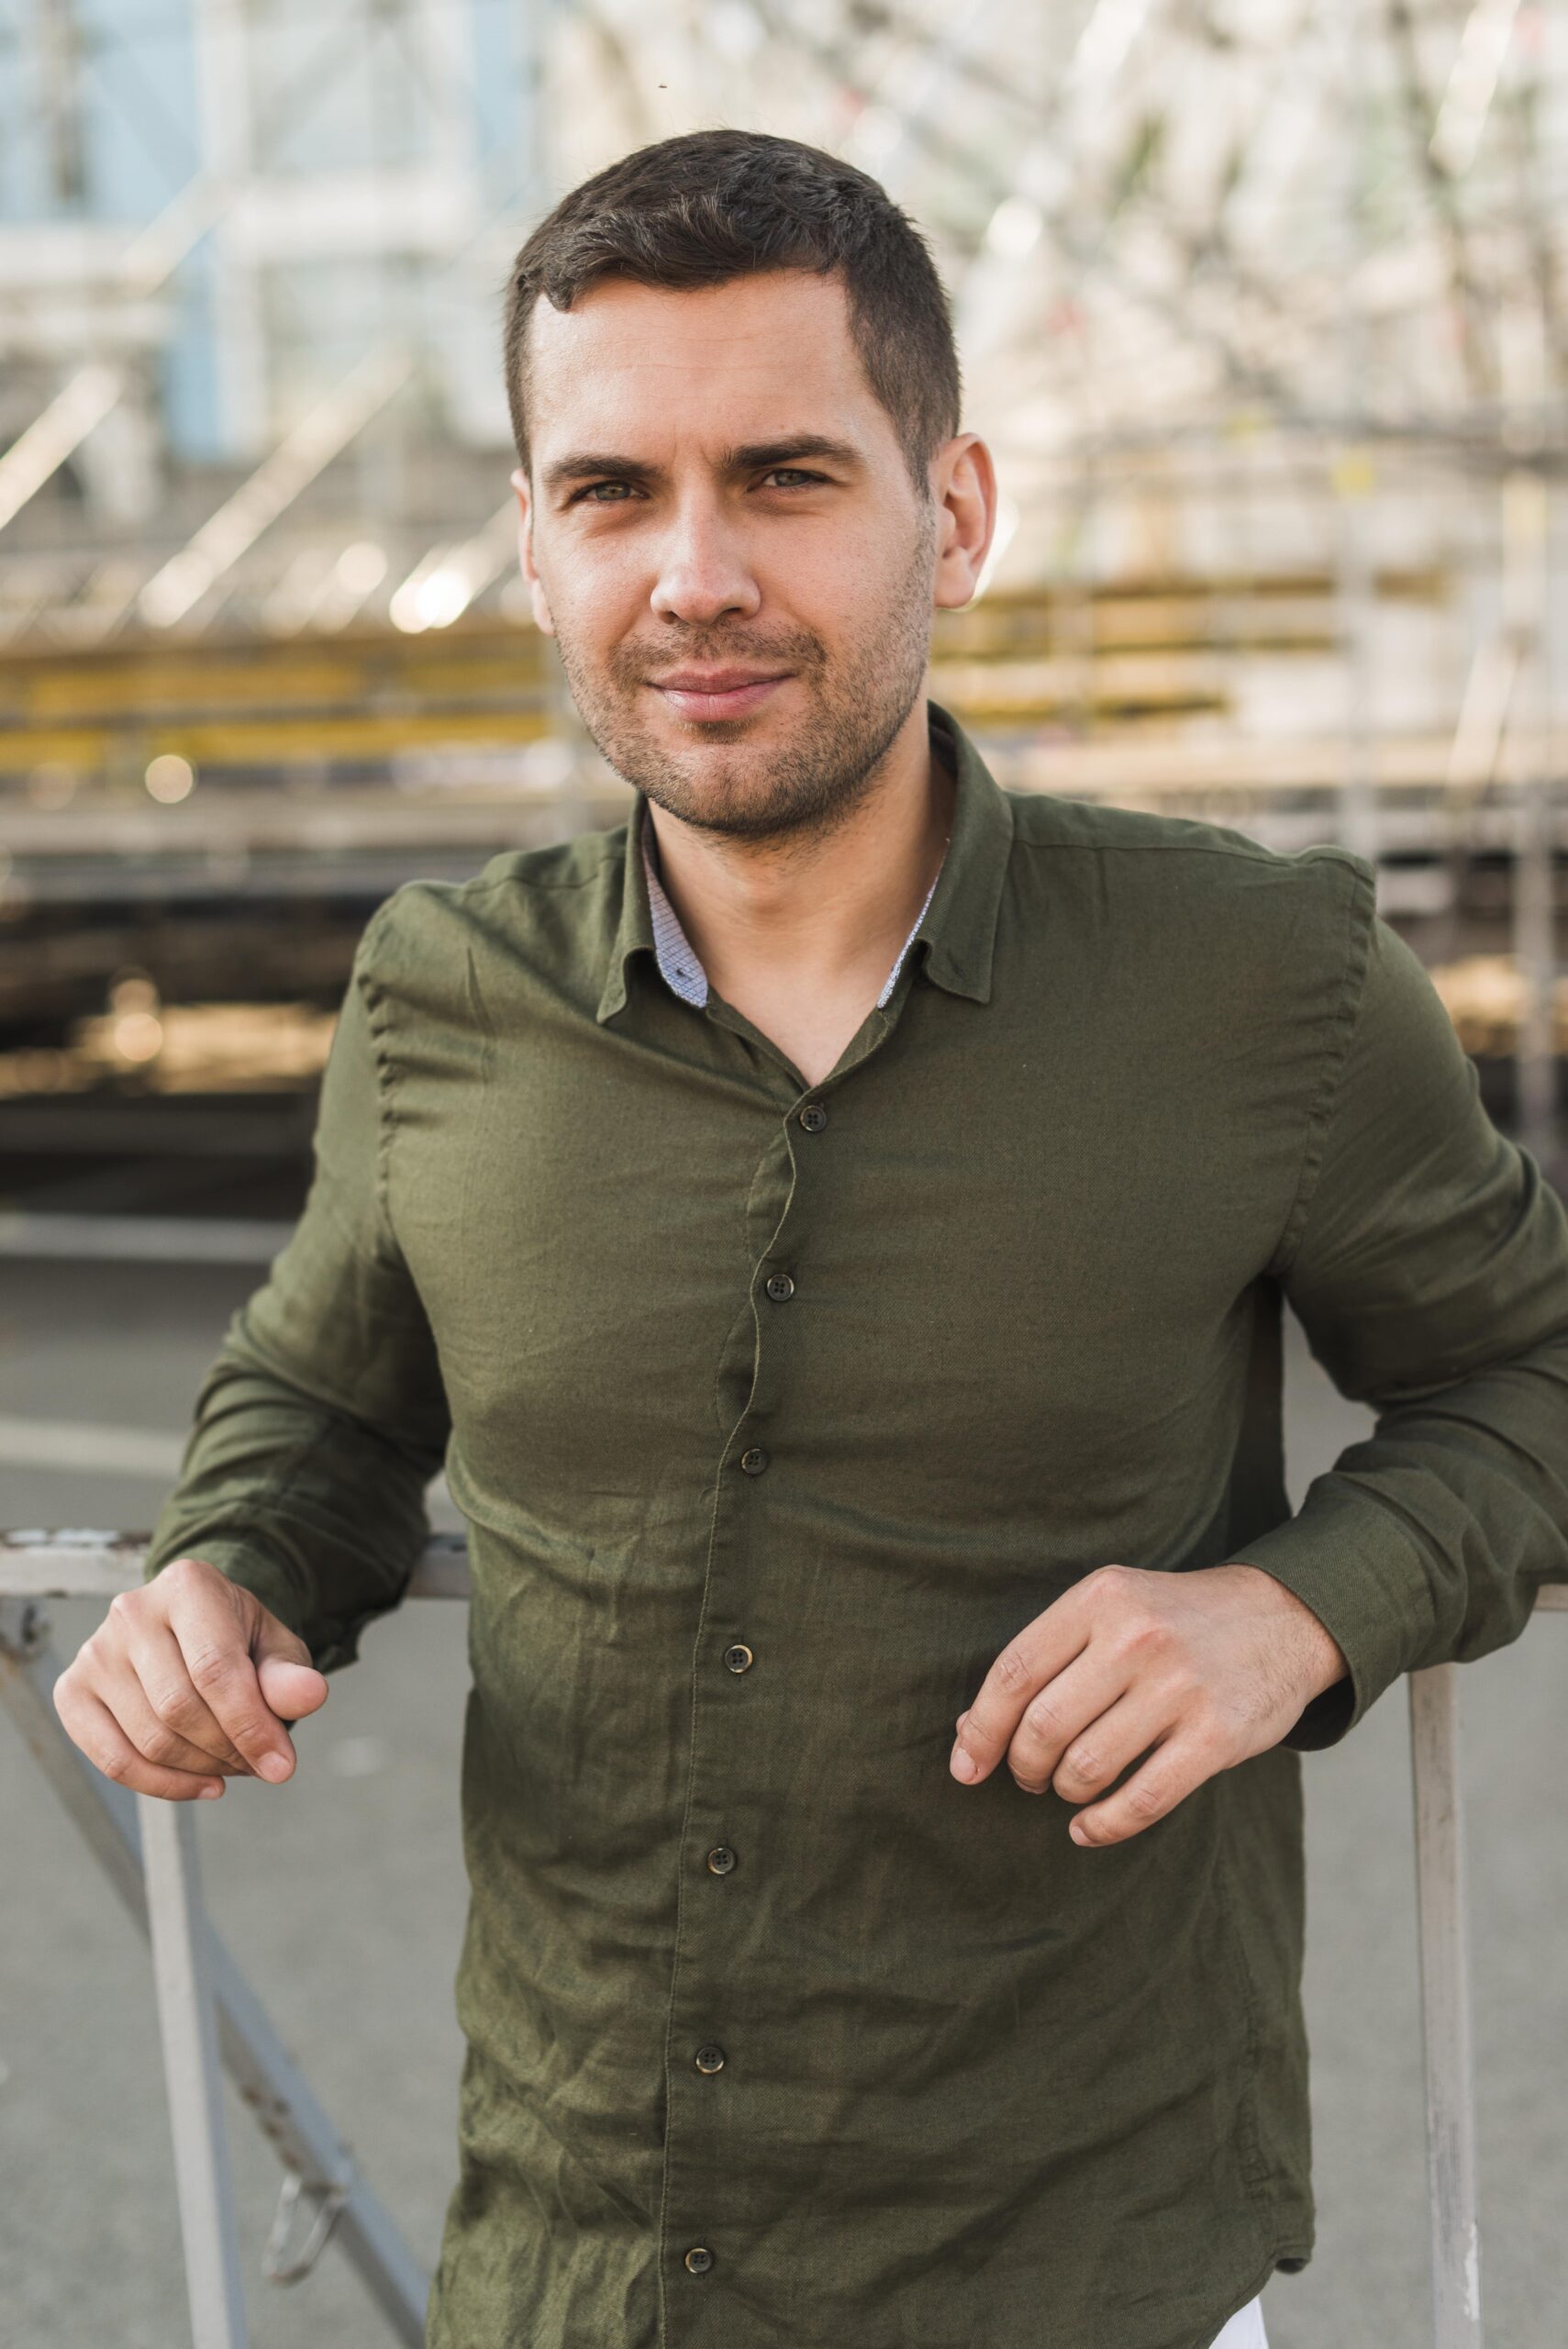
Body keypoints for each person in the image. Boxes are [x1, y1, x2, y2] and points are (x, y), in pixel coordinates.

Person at [54, 129, 1568, 2349]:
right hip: (572, 2273)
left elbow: (1533, 1373)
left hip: (1088, 2280)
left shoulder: (1265, 982)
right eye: (610, 493)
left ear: (950, 510)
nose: (691, 576)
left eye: (782, 477)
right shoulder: (435, 991)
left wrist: (1295, 1612)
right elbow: (317, 1398)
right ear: (535, 539)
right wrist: (225, 1572)